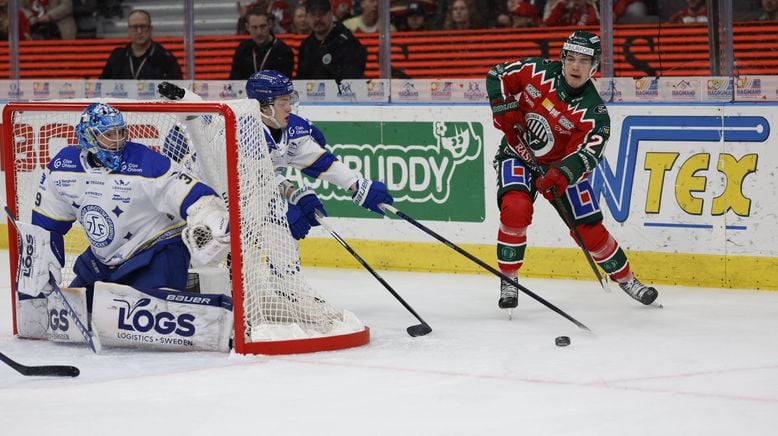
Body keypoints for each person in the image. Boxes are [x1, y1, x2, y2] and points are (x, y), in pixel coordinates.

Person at [486, 30, 659, 310]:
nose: (576, 66)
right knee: (515, 209)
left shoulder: (595, 112)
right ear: (562, 58)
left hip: (559, 171)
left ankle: (628, 280)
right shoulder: (537, 71)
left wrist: (562, 173)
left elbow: (589, 154)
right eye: (571, 58)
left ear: (594, 68)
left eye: (584, 61)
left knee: (590, 232)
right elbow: (498, 75)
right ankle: (509, 279)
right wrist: (504, 108)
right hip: (518, 154)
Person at [19, 103, 230, 315]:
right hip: (100, 263)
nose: (117, 140)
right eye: (109, 134)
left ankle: (192, 302)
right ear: (88, 137)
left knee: (144, 314)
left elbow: (193, 193)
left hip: (155, 253)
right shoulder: (63, 167)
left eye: (121, 133)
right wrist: (37, 280)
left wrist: (210, 217)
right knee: (72, 311)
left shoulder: (146, 163)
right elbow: (45, 228)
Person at [156, 71, 394, 243]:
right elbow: (245, 186)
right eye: (283, 102)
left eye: (289, 100)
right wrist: (280, 209)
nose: (289, 107)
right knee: (221, 245)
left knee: (280, 239)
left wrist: (356, 184)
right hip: (200, 199)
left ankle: (285, 294)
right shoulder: (236, 130)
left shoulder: (290, 127)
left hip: (237, 198)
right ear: (262, 106)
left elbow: (317, 161)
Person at [99, 9, 183, 80]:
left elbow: (177, 89)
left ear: (150, 29)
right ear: (128, 30)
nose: (139, 31)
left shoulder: (165, 58)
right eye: (135, 27)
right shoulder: (117, 57)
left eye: (143, 26)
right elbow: (103, 85)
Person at [296, 0, 367, 80]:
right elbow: (301, 80)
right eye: (313, 15)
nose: (318, 19)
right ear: (307, 17)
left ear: (330, 14)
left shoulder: (348, 41)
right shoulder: (306, 46)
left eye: (322, 14)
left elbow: (353, 78)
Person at [229, 8, 294, 80]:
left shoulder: (283, 51)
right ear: (247, 27)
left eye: (263, 26)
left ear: (270, 24)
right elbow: (234, 80)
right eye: (254, 27)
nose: (259, 32)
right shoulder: (243, 49)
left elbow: (284, 82)